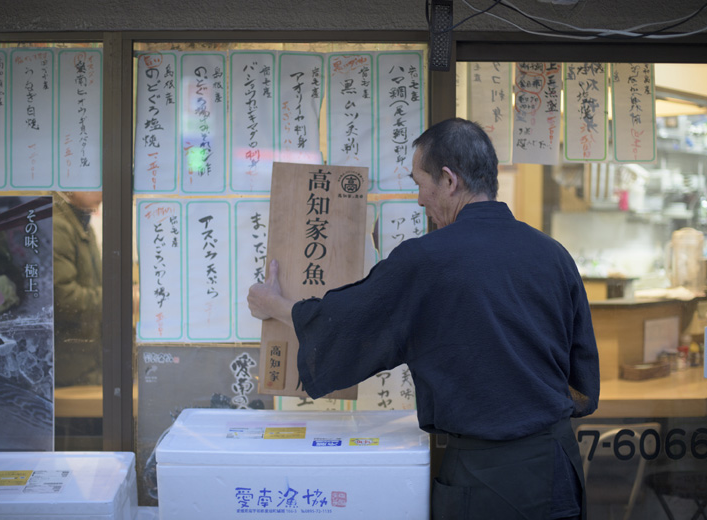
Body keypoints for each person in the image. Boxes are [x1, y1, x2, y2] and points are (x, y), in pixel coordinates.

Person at [248, 118, 600, 520]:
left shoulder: (427, 260)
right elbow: (581, 377)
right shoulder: (553, 254)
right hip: (558, 466)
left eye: (420, 183)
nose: (419, 200)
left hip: (489, 481)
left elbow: (344, 324)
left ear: (449, 181)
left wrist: (274, 305)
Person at [53, 191, 103, 387]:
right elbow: (63, 299)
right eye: (95, 183)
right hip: (68, 368)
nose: (103, 191)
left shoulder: (80, 221)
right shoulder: (58, 224)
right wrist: (123, 300)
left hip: (84, 362)